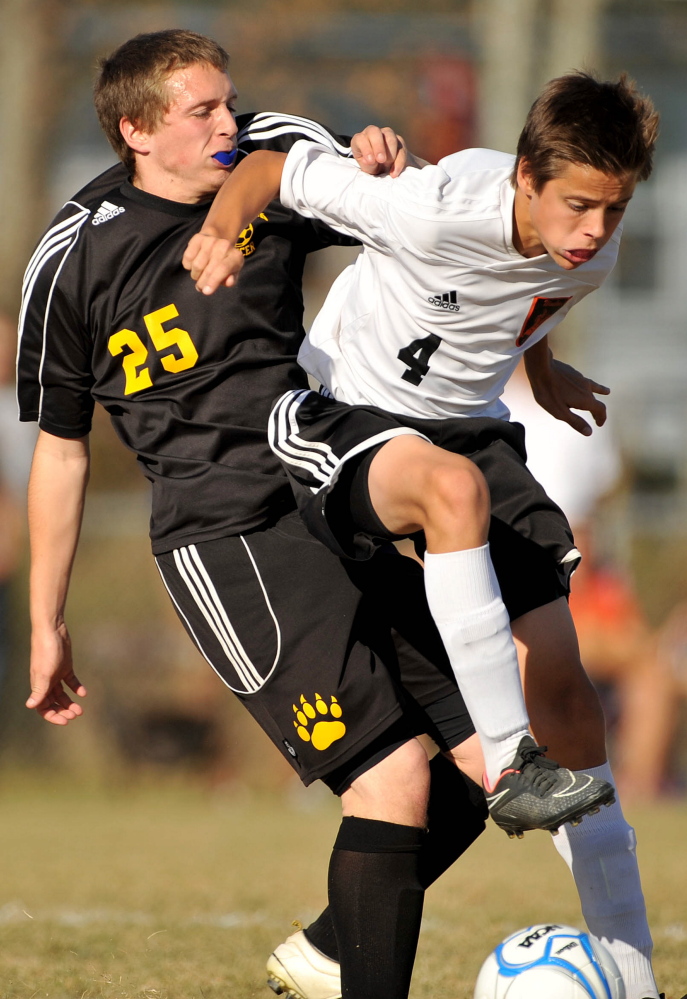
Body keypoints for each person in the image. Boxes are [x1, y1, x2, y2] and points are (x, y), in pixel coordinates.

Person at [16, 28, 530, 999]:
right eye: (200, 110)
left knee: (495, 757)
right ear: (135, 129)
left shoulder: (273, 151)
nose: (228, 121)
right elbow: (60, 449)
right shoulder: (73, 260)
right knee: (393, 783)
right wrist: (47, 621)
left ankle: (341, 944)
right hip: (227, 539)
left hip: (330, 482)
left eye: (228, 100)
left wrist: (383, 161)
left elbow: (412, 234)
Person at [185, 72, 664, 999]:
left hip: (464, 431)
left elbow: (518, 303)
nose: (595, 230)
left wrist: (546, 368)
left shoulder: (588, 251)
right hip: (337, 416)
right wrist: (221, 230)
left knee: (566, 687)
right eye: (577, 204)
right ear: (524, 177)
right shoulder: (429, 205)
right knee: (449, 490)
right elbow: (273, 169)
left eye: (614, 209)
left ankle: (635, 979)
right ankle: (509, 763)